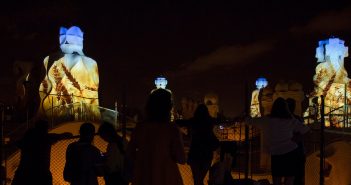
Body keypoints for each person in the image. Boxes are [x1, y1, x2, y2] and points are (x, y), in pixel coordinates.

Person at [126, 88, 186, 185]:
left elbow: (130, 154)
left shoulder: (140, 127)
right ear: (168, 106)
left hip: (143, 177)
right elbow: (181, 159)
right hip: (167, 177)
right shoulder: (171, 129)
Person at [245, 97, 309, 185]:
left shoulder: (266, 120)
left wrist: (245, 117)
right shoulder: (290, 120)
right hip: (291, 152)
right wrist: (296, 139)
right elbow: (306, 130)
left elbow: (250, 121)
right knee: (289, 180)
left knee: (277, 180)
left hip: (276, 153)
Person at [12, 120, 72, 185]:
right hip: (42, 172)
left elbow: (17, 143)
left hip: (24, 171)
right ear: (45, 128)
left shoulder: (27, 138)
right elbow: (67, 135)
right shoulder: (47, 137)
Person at [187, 104, 219, 185]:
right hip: (206, 154)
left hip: (195, 154)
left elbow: (184, 125)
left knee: (197, 179)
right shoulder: (210, 122)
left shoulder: (193, 122)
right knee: (200, 179)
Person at [286, 98, 306, 185]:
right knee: (297, 174)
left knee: (290, 174)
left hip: (290, 150)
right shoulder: (297, 119)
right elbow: (305, 131)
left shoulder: (282, 120)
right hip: (297, 150)